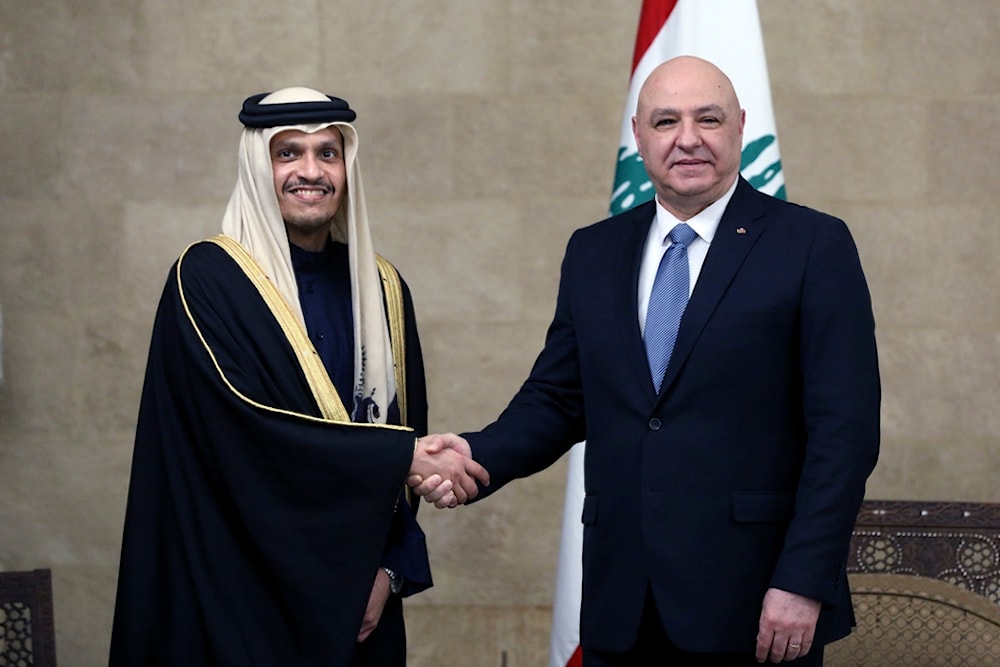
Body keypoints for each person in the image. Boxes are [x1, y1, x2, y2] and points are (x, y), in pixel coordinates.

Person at [412, 56, 880, 666]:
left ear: (740, 126)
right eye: (666, 121)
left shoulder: (813, 245)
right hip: (621, 601)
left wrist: (802, 579)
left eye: (707, 119)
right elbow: (559, 398)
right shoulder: (594, 250)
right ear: (639, 135)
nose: (687, 139)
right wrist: (476, 456)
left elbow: (844, 434)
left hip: (754, 600)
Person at [109, 87, 486, 666]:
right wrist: (405, 458)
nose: (310, 172)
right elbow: (243, 436)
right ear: (259, 165)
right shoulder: (208, 278)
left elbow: (405, 431)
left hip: (363, 603)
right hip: (239, 598)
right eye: (288, 153)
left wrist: (389, 571)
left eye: (327, 154)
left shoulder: (382, 288)